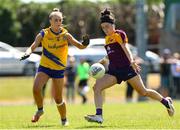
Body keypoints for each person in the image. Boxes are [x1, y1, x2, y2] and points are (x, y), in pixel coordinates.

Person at [84, 8, 175, 124]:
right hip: (114, 72)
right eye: (103, 27)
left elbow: (125, 48)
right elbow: (110, 55)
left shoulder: (119, 34)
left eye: (107, 26)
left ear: (113, 25)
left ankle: (166, 102)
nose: (105, 29)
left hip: (127, 68)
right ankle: (99, 115)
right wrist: (98, 63)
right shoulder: (107, 40)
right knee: (97, 87)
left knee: (144, 92)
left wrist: (132, 61)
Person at [20, 8, 89, 126]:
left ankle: (64, 119)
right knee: (36, 89)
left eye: (60, 20)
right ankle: (40, 110)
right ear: (50, 21)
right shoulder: (44, 33)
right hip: (45, 67)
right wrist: (27, 52)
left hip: (58, 70)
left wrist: (85, 44)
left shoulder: (65, 34)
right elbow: (33, 45)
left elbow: (79, 46)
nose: (58, 22)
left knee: (58, 99)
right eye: (56, 20)